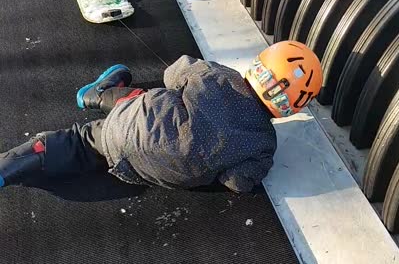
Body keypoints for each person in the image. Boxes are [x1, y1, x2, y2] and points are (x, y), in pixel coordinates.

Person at [0, 41, 323, 193]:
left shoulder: (216, 75)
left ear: (259, 66)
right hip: (150, 174)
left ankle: (12, 163)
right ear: (293, 106)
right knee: (142, 115)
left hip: (125, 128)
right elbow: (237, 183)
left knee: (83, 137)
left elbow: (173, 73)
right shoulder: (264, 144)